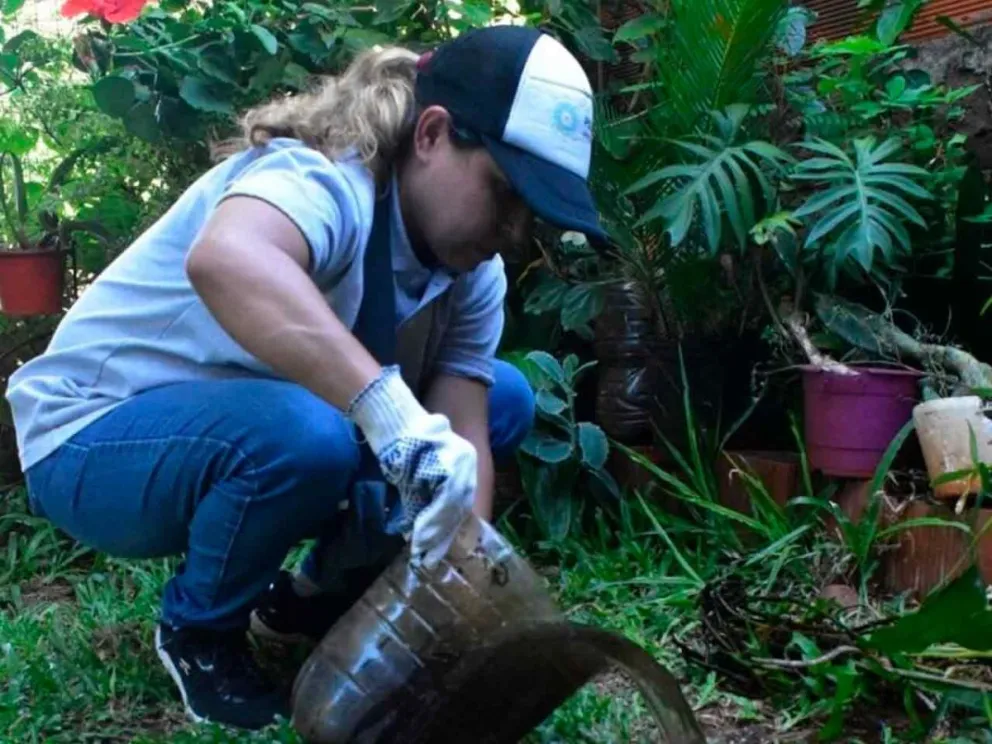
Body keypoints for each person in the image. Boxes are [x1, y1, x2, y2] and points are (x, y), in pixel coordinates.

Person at [5, 25, 606, 730]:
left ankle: (312, 599)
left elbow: (462, 441)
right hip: (90, 440)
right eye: (503, 193)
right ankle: (199, 633)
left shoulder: (470, 274)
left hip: (247, 431)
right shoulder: (323, 178)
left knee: (505, 396)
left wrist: (460, 597)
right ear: (432, 134)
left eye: (529, 214)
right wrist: (393, 415)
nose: (512, 230)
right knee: (309, 433)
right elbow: (227, 260)